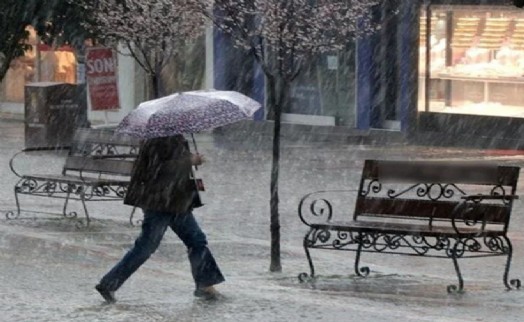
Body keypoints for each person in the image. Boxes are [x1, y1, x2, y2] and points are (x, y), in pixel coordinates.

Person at [95, 134, 225, 303]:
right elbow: (158, 169)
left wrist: (190, 159)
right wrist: (189, 160)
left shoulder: (171, 136)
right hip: (161, 202)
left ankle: (205, 286)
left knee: (196, 240)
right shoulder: (158, 139)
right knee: (146, 247)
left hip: (175, 201)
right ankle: (109, 283)